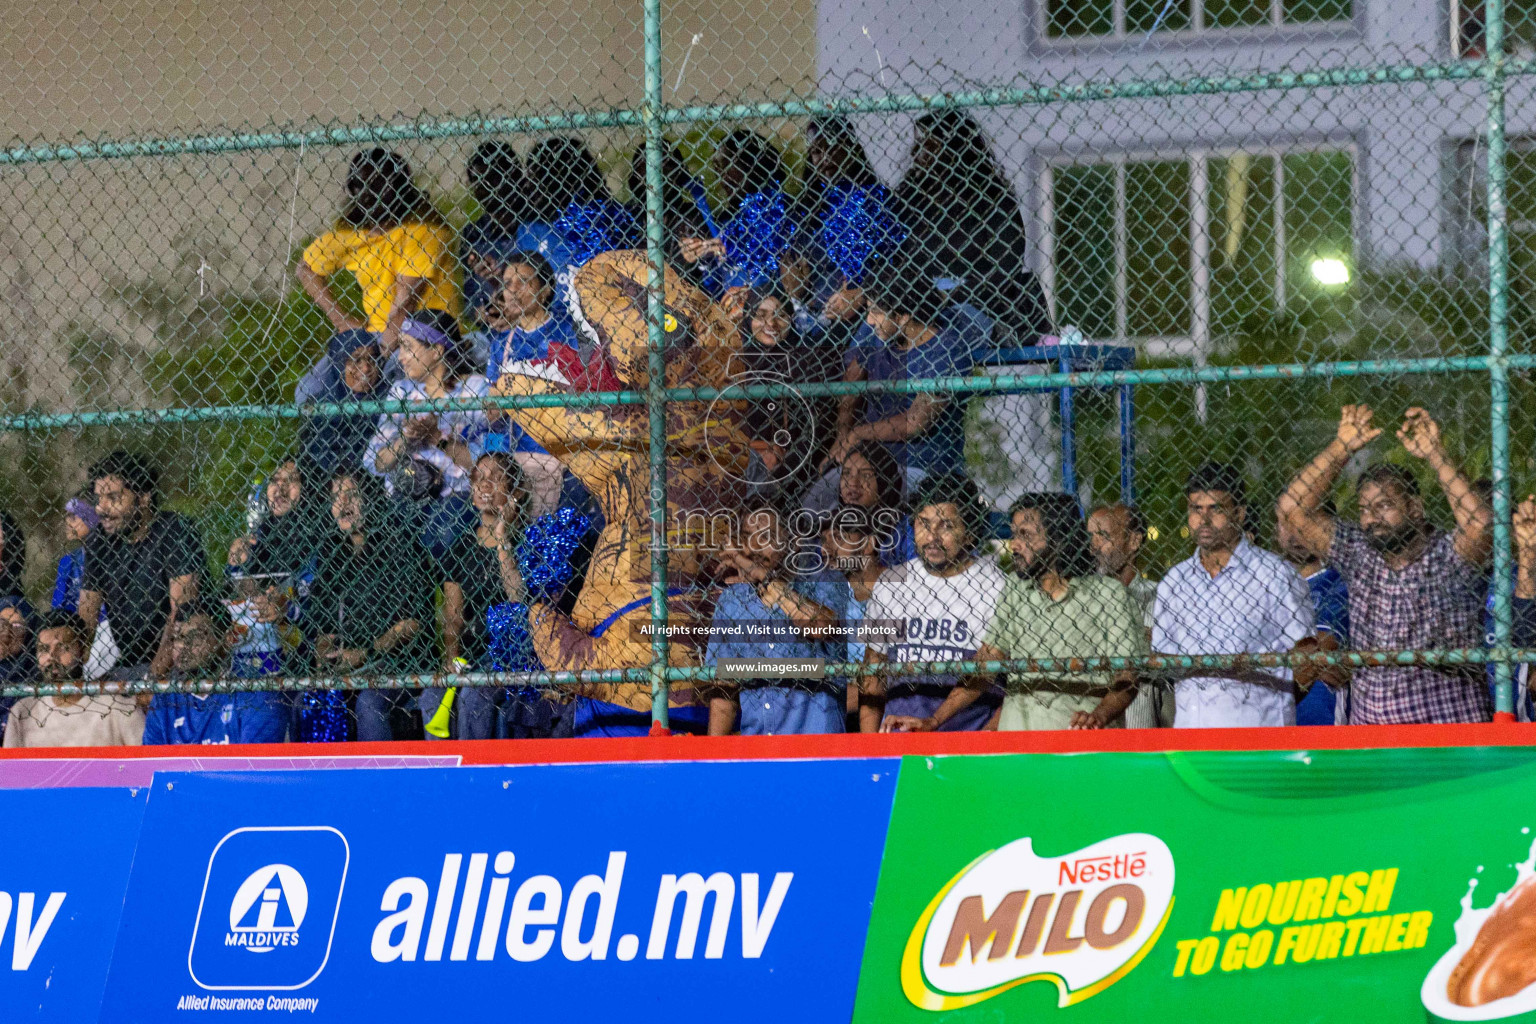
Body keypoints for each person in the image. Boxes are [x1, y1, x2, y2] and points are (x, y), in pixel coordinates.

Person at [1278, 405, 1493, 724]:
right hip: (1375, 738)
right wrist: (1342, 447)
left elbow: (1480, 525)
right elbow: (1292, 508)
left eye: (1385, 505)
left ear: (1415, 508)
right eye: (1364, 509)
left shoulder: (1446, 555)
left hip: (1446, 734)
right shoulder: (1358, 553)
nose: (1372, 517)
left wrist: (1435, 454)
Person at [936, 493, 1139, 731]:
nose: (1014, 545)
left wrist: (1099, 716)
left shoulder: (1109, 594)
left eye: (1025, 535)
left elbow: (1128, 677)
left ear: (1057, 537)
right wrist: (935, 720)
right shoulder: (1016, 589)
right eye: (1014, 534)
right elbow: (987, 663)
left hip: (1079, 743)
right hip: (1017, 746)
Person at [1153, 463, 1314, 728]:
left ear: (1239, 514)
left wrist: (1270, 702)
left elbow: (1307, 653)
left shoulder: (1274, 574)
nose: (1204, 519)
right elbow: (1165, 660)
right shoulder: (1174, 582)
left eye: (1216, 509)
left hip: (1260, 735)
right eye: (1196, 509)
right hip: (1193, 734)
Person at [824, 251, 986, 490]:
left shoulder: (947, 349)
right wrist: (842, 434)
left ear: (903, 317)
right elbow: (852, 379)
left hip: (921, 466)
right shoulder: (878, 331)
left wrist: (856, 434)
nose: (869, 320)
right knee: (816, 502)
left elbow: (915, 421)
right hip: (867, 459)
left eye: (876, 312)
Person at [859, 472, 1007, 732]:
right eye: (923, 524)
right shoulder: (891, 583)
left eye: (947, 526)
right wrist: (869, 747)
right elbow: (873, 675)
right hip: (897, 741)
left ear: (970, 533)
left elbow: (993, 676)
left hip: (964, 744)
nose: (932, 537)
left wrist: (977, 745)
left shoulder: (995, 585)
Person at [891, 110, 1051, 343]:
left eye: (929, 144)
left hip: (977, 304)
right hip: (920, 304)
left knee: (952, 325)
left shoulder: (992, 199)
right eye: (918, 143)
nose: (917, 152)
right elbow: (897, 259)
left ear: (954, 148)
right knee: (875, 326)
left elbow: (1004, 267)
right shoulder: (909, 200)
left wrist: (949, 292)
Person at [308, 469, 438, 742]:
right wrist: (324, 649)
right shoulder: (333, 551)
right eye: (335, 497)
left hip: (401, 662)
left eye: (352, 495)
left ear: (370, 499)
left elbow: (411, 624)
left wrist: (366, 653)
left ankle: (380, 783)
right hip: (351, 663)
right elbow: (325, 623)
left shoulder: (398, 542)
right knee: (304, 701)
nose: (343, 503)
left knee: (369, 703)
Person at [297, 148, 459, 362]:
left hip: (424, 335)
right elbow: (305, 269)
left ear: (401, 189)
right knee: (309, 390)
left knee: (372, 382)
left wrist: (376, 359)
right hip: (372, 335)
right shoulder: (352, 233)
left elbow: (405, 304)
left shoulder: (423, 229)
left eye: (379, 186)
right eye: (361, 186)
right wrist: (342, 321)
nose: (369, 194)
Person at [705, 502, 844, 736]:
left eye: (767, 537)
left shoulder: (825, 584)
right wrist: (712, 757)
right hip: (757, 745)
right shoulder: (732, 602)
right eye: (749, 536)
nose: (756, 546)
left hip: (816, 745)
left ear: (792, 543)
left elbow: (820, 626)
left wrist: (766, 579)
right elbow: (724, 692)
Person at [364, 311, 490, 556]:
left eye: (407, 347)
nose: (400, 357)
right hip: (407, 490)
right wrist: (405, 440)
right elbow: (376, 462)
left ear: (436, 351)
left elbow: (487, 465)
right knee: (391, 539)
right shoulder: (401, 392)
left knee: (442, 533)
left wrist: (436, 439)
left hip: (457, 493)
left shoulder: (476, 389)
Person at [432, 453, 538, 740]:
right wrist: (452, 660)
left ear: (515, 491)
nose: (485, 484)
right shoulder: (462, 545)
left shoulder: (527, 542)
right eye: (478, 478)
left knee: (473, 696)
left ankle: (472, 774)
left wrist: (503, 537)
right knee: (431, 697)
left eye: (495, 477)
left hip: (511, 650)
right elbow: (453, 617)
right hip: (471, 651)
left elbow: (518, 599)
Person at [78, 451, 206, 680]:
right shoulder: (99, 540)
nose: (101, 508)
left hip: (180, 662)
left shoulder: (175, 530)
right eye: (98, 498)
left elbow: (181, 615)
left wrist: (152, 680)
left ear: (144, 497)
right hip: (128, 665)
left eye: (113, 498)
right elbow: (86, 619)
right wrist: (77, 681)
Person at [484, 252, 583, 517]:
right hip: (518, 459)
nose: (513, 290)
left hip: (565, 455)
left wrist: (514, 389)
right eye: (507, 283)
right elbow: (492, 414)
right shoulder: (500, 345)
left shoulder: (568, 333)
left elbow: (584, 392)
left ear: (546, 289)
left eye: (523, 281)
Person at [727, 286, 843, 494]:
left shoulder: (808, 359)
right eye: (760, 316)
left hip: (797, 461)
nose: (771, 324)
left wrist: (785, 456)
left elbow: (818, 424)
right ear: (748, 320)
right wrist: (757, 449)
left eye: (780, 315)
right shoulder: (736, 361)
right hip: (745, 454)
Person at [141, 599, 288, 745]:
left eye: (196, 636)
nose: (183, 645)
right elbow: (151, 763)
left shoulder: (255, 691)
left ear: (227, 639)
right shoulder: (165, 698)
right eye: (178, 637)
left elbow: (254, 764)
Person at [4, 612, 143, 748]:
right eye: (44, 649)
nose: (52, 656)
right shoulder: (22, 712)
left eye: (63, 648)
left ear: (84, 652)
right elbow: (10, 770)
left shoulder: (119, 709)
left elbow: (146, 765)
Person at [1086, 503, 1169, 728]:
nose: (1093, 546)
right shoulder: (1082, 599)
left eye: (1102, 536)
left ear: (1134, 541)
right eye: (1090, 536)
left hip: (1139, 728)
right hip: (1090, 724)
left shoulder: (1159, 598)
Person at [1277, 498, 1352, 726]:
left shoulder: (1340, 582)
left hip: (1321, 722)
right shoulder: (1263, 582)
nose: (1295, 531)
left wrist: (1263, 664)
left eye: (1305, 520)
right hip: (1269, 720)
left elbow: (1321, 649)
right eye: (1285, 522)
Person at [295, 330, 394, 478]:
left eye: (371, 359)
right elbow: (316, 455)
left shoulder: (391, 396)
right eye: (356, 360)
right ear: (339, 364)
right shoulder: (320, 406)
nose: (366, 368)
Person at [461, 141, 531, 331]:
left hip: (533, 323)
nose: (486, 187)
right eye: (477, 180)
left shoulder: (535, 227)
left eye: (493, 178)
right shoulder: (473, 234)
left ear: (514, 177)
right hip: (492, 330)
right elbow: (470, 303)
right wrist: (485, 314)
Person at [50, 497, 97, 616]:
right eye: (66, 516)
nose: (67, 522)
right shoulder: (68, 560)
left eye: (73, 517)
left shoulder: (107, 557)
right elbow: (58, 604)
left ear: (91, 518)